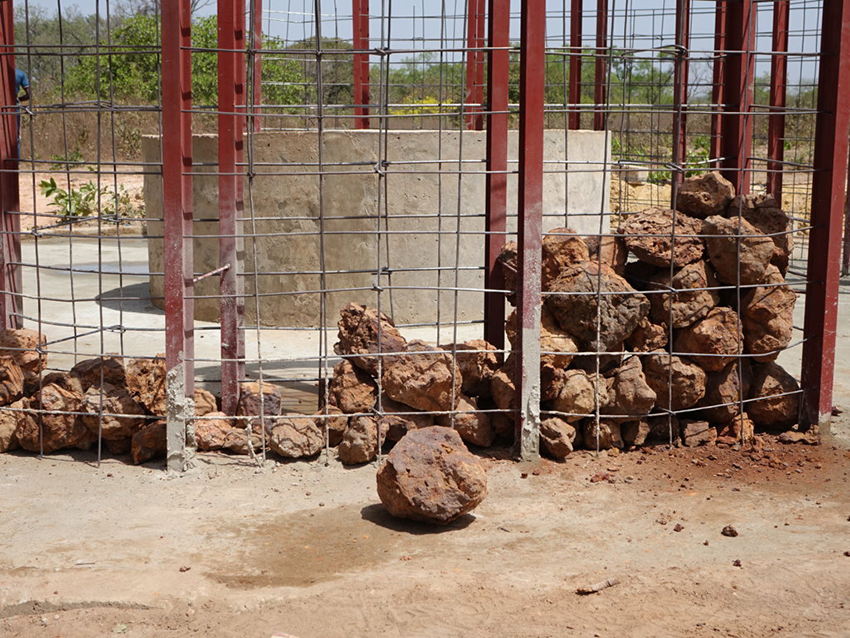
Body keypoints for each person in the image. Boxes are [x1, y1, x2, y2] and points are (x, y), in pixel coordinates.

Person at [15, 67, 29, 159]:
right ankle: (16, 162)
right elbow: (29, 94)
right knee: (15, 135)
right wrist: (18, 99)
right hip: (13, 106)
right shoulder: (20, 73)